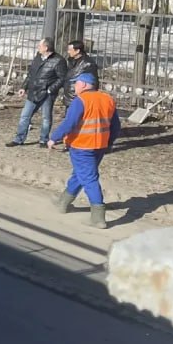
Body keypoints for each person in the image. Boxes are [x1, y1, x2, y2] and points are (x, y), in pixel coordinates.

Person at [48, 73, 121, 228]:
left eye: (77, 83)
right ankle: (63, 202)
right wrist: (109, 142)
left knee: (89, 178)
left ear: (85, 85)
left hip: (82, 146)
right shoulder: (107, 99)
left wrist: (54, 138)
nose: (75, 86)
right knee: (80, 174)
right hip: (99, 146)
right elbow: (115, 126)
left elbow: (69, 123)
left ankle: (98, 217)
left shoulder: (80, 100)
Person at [7, 37, 68, 147]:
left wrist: (50, 89)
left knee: (46, 118)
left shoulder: (59, 60)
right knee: (25, 116)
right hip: (33, 92)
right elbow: (31, 74)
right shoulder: (38, 57)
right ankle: (19, 139)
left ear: (46, 47)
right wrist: (24, 87)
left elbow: (62, 78)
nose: (37, 47)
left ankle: (43, 140)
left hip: (47, 94)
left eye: (40, 45)